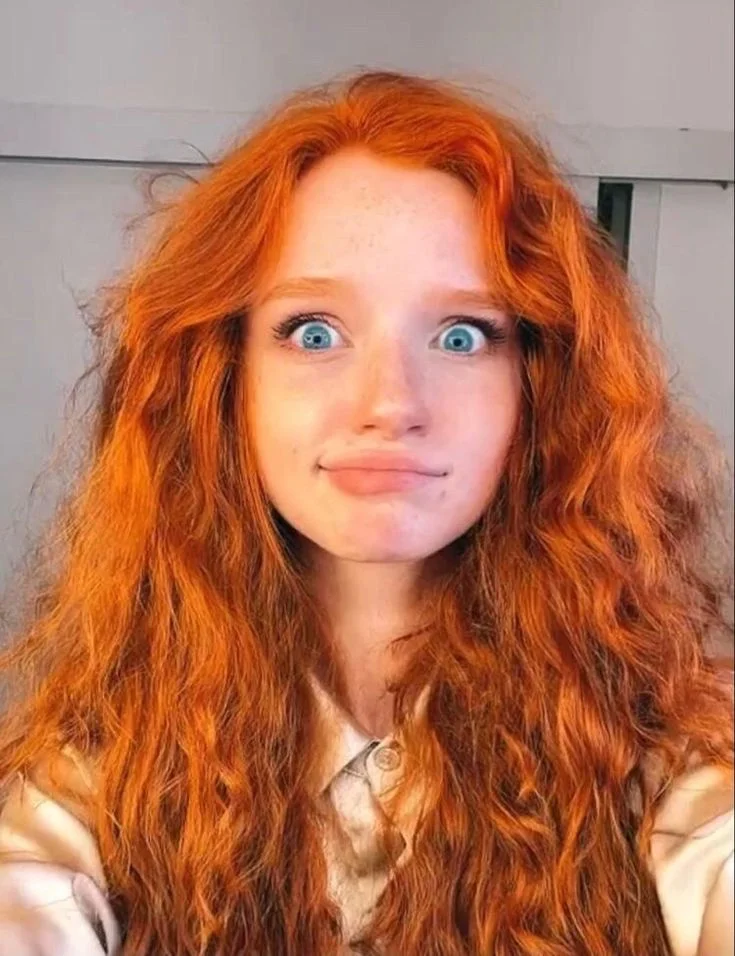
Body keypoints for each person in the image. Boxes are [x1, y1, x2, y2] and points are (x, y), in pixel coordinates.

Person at [0, 69, 732, 956]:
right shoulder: (96, 779)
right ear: (225, 381)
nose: (389, 403)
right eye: (314, 331)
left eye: (461, 335)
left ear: (541, 386)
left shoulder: (671, 762)